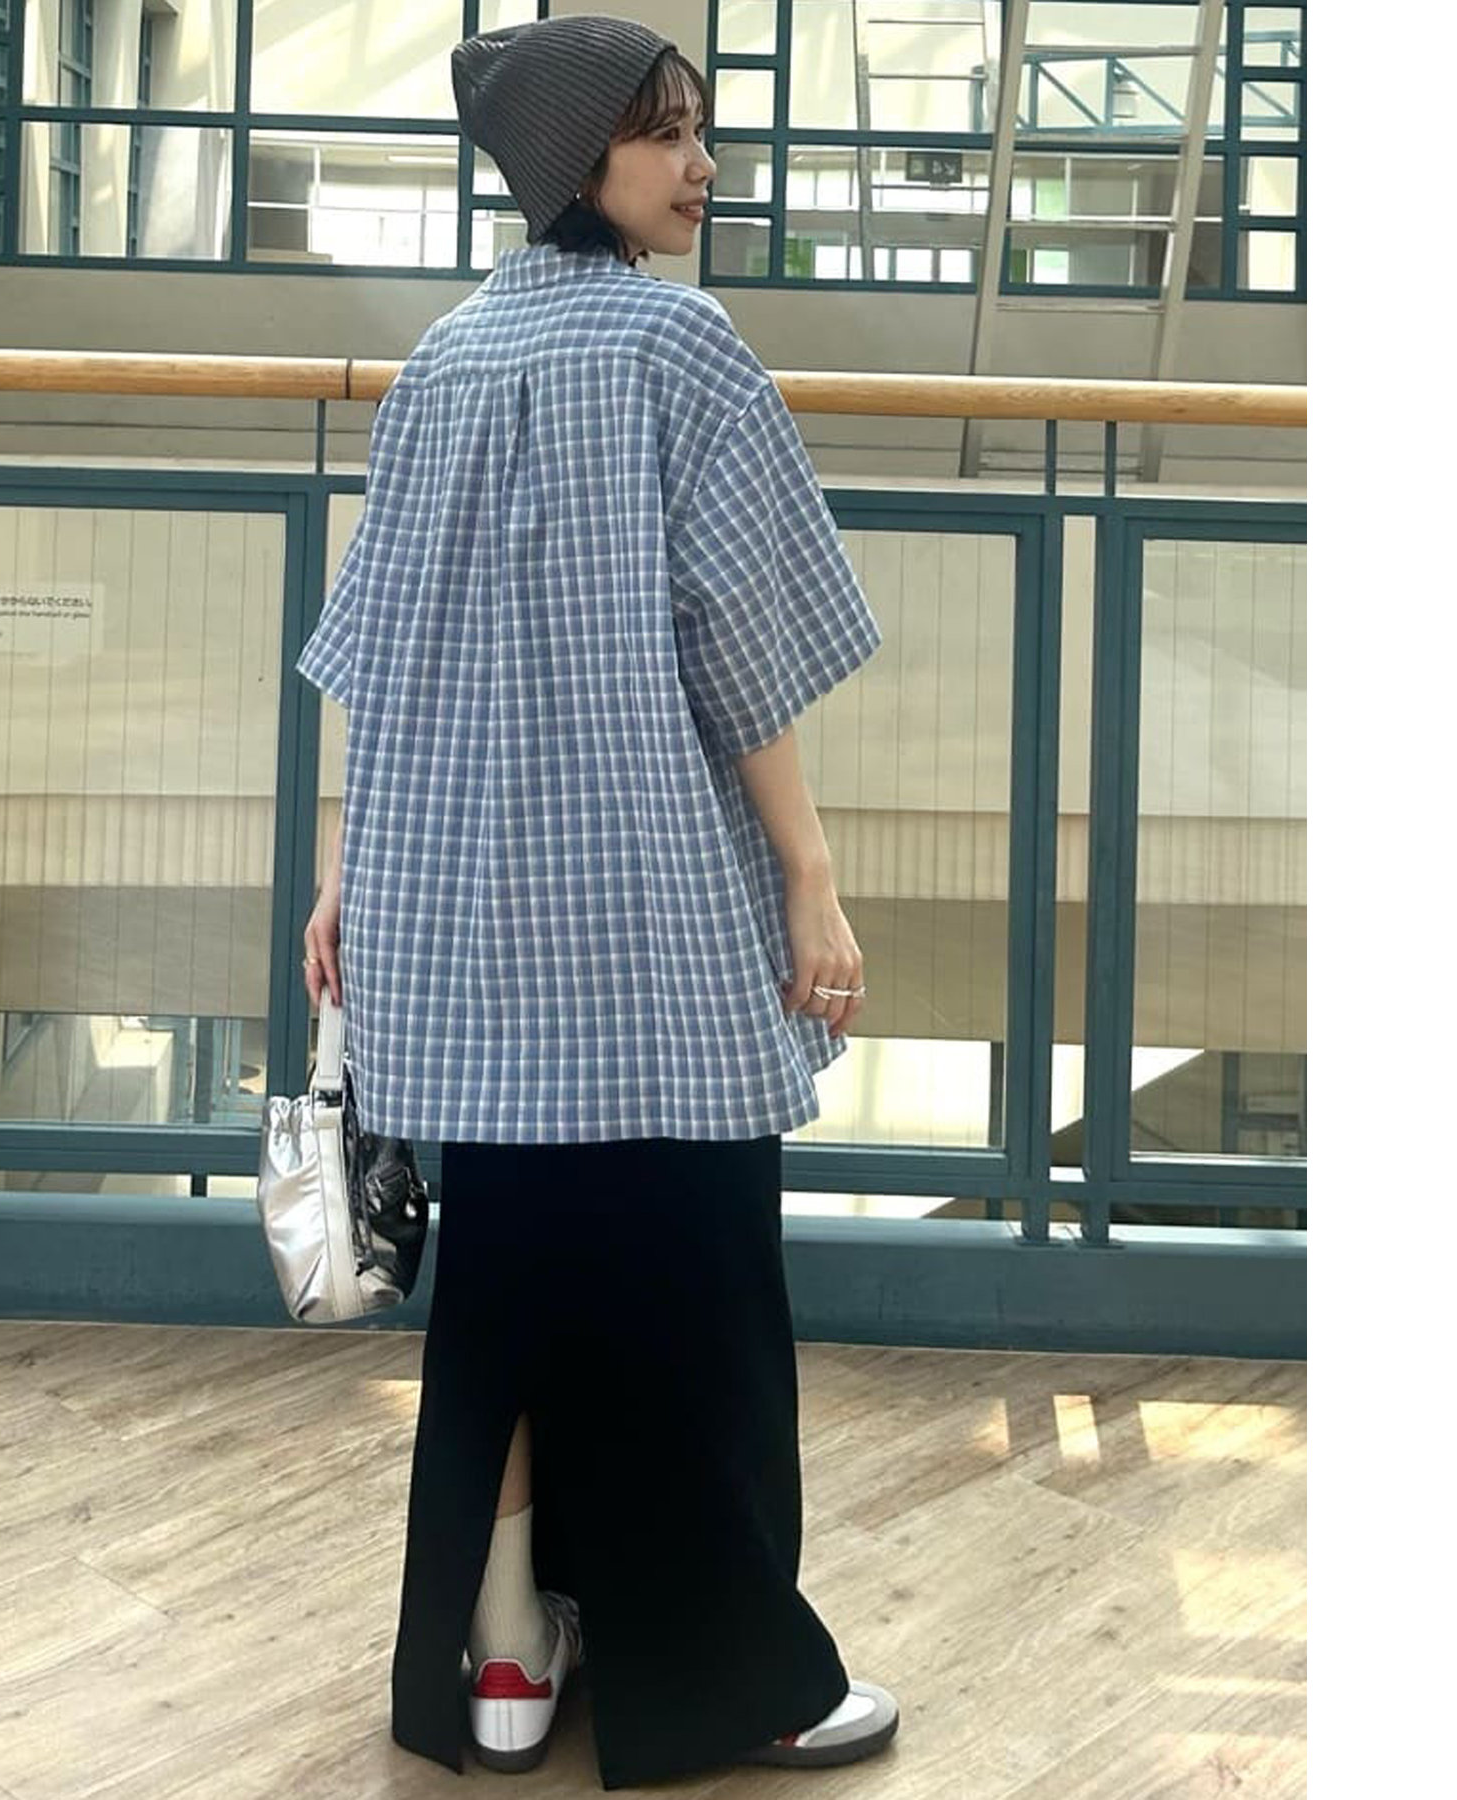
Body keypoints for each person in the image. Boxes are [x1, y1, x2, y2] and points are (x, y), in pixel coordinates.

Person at [294, 13, 900, 1788]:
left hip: (454, 907)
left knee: (507, 1301)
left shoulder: (446, 357)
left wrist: (344, 874)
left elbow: (374, 651)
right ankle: (736, 1685)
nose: (702, 165)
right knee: (699, 1299)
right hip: (644, 920)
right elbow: (746, 649)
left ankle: (500, 1664)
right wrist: (811, 882)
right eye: (667, 135)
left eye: (700, 131)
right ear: (583, 161)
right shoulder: (680, 345)